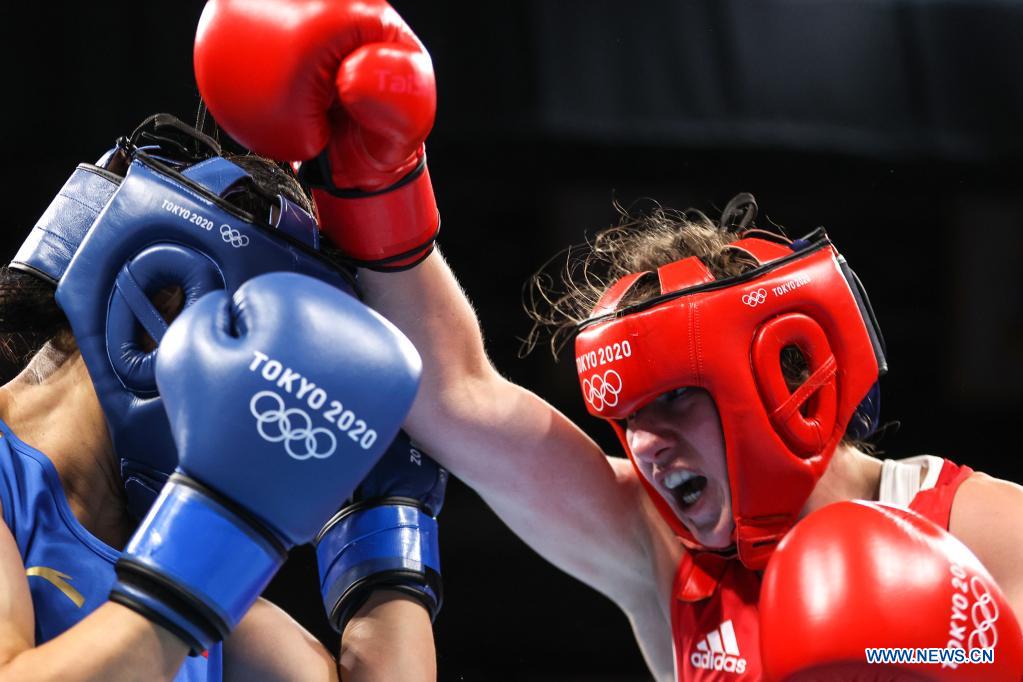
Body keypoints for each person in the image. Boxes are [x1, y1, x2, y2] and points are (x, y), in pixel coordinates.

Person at [192, 1, 1023, 678]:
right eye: (628, 418)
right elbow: (458, 395)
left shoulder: (987, 531)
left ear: (782, 378)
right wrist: (375, 181)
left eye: (670, 402)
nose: (649, 447)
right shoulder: (655, 546)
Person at [0, 113, 441, 681]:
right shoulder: (187, 581)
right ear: (161, 290)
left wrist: (384, 527)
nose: (270, 409)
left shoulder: (203, 594)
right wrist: (214, 532)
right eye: (269, 364)